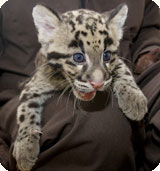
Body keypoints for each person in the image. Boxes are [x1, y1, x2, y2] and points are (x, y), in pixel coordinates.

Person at [0, 0, 160, 170]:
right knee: (98, 127)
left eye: (106, 56)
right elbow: (30, 96)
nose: (98, 81)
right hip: (17, 88)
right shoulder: (48, 70)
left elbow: (122, 58)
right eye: (78, 58)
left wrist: (132, 78)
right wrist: (27, 134)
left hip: (140, 73)